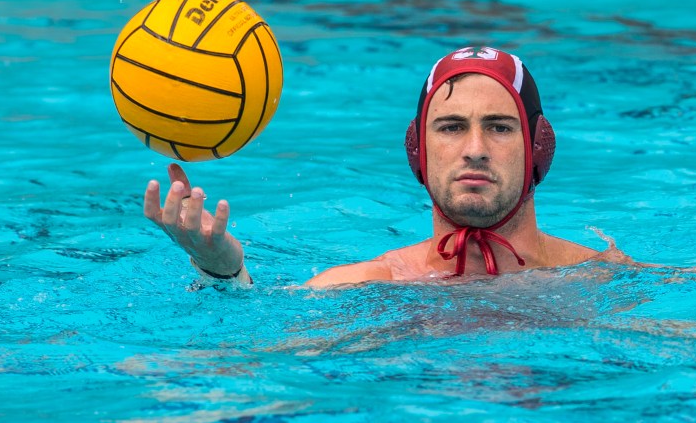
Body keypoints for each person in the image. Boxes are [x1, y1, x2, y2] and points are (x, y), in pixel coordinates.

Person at [144, 46, 609, 288]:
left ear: (539, 147)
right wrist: (221, 271)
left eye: (500, 128)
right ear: (418, 151)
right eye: (450, 127)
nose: (475, 149)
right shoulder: (372, 284)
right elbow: (253, 360)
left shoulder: (607, 278)